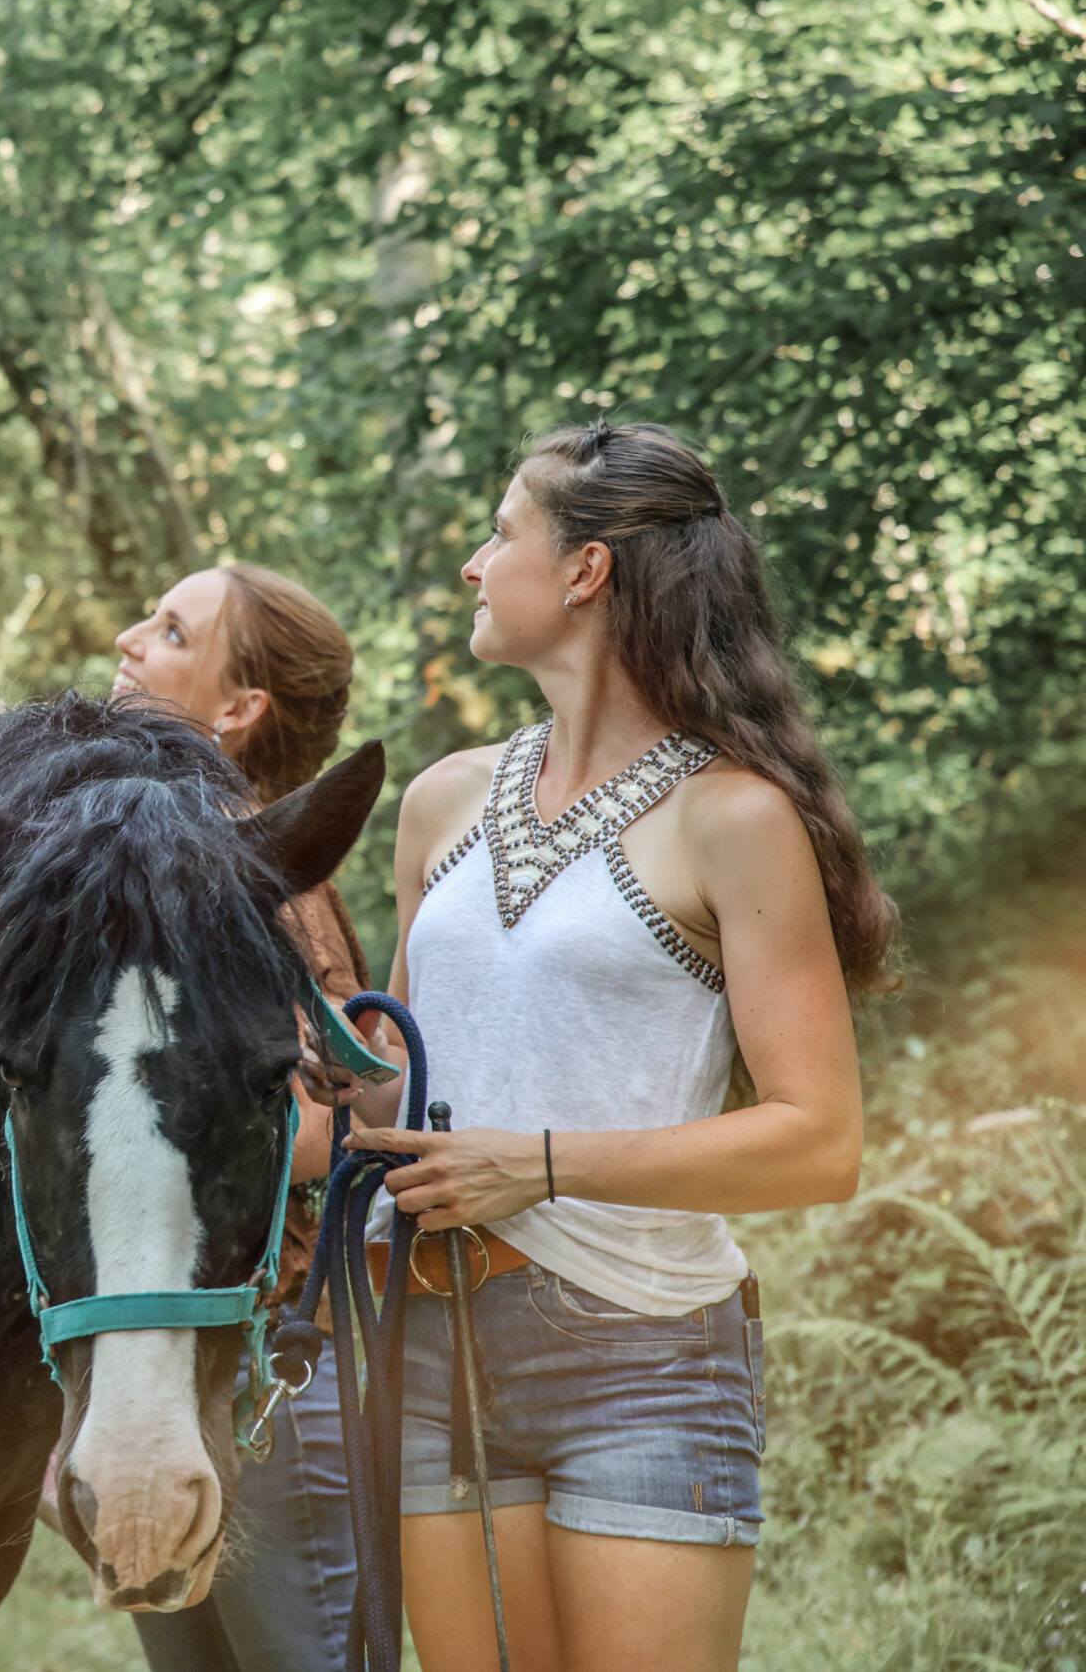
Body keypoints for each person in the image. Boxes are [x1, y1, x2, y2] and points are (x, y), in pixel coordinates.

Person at [353, 422, 889, 1672]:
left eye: (501, 534)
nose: (476, 566)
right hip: (432, 1340)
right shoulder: (442, 799)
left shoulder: (734, 817)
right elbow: (392, 1084)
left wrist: (533, 1164)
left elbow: (818, 1142)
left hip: (641, 1351)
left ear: (585, 571)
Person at [113, 564, 374, 1672]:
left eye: (170, 632)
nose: (128, 639)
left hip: (274, 1370)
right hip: (174, 1364)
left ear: (237, 708)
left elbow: (322, 1127)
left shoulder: (263, 873)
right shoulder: (176, 854)